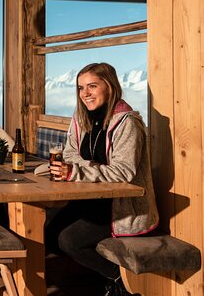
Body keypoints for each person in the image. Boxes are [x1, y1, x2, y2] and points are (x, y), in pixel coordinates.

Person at [48, 62, 159, 296]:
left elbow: (122, 173)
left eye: (92, 86)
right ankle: (97, 279)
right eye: (80, 88)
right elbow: (69, 153)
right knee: (47, 230)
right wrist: (91, 167)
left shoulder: (128, 124)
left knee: (68, 240)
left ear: (109, 86)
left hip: (121, 209)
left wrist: (76, 171)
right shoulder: (81, 119)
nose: (85, 94)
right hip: (90, 200)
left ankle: (121, 281)